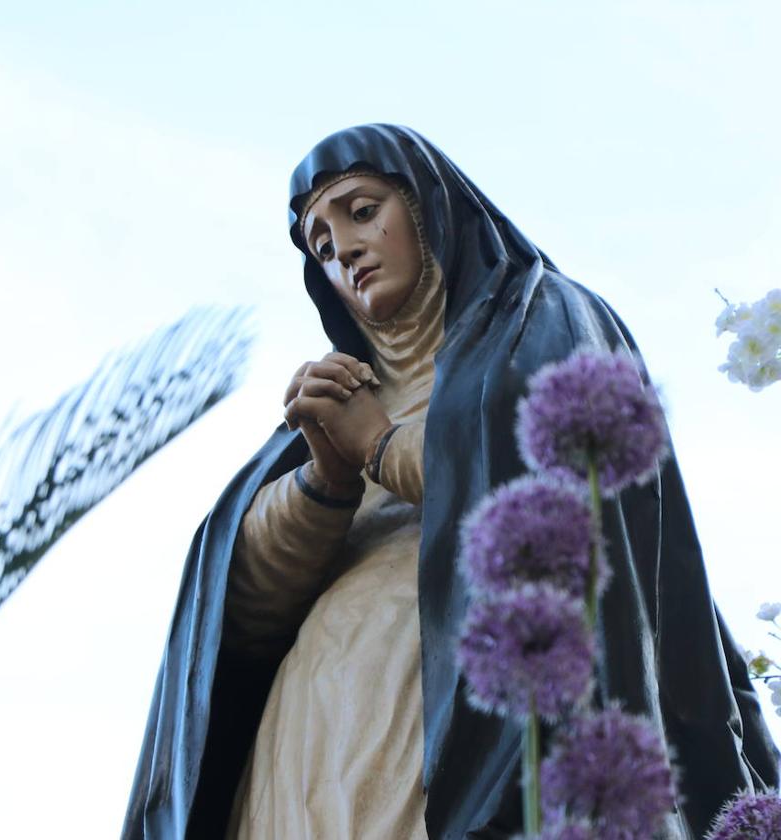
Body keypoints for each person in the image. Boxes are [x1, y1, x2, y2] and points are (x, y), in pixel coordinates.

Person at [122, 124, 779, 839]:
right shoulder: (331, 405)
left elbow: (563, 488)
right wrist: (328, 479)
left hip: (461, 733)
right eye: (319, 243)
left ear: (430, 208)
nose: (341, 248)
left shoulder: (542, 319)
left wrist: (381, 446)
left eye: (362, 210)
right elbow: (235, 619)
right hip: (302, 750)